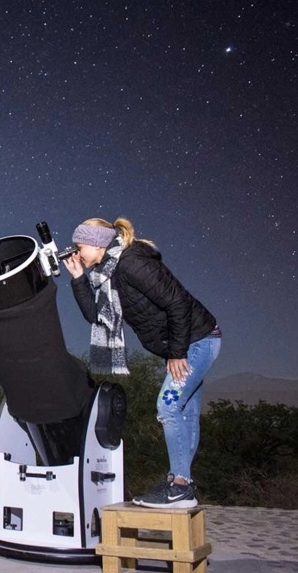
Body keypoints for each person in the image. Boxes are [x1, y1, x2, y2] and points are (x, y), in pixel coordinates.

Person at [61, 217, 221, 509]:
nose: (77, 251)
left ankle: (181, 487)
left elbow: (178, 303)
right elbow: (94, 315)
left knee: (169, 407)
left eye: (80, 245)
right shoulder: (107, 272)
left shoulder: (131, 263)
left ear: (97, 241)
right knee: (185, 412)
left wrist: (176, 353)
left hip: (198, 341)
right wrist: (77, 278)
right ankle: (180, 481)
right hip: (187, 343)